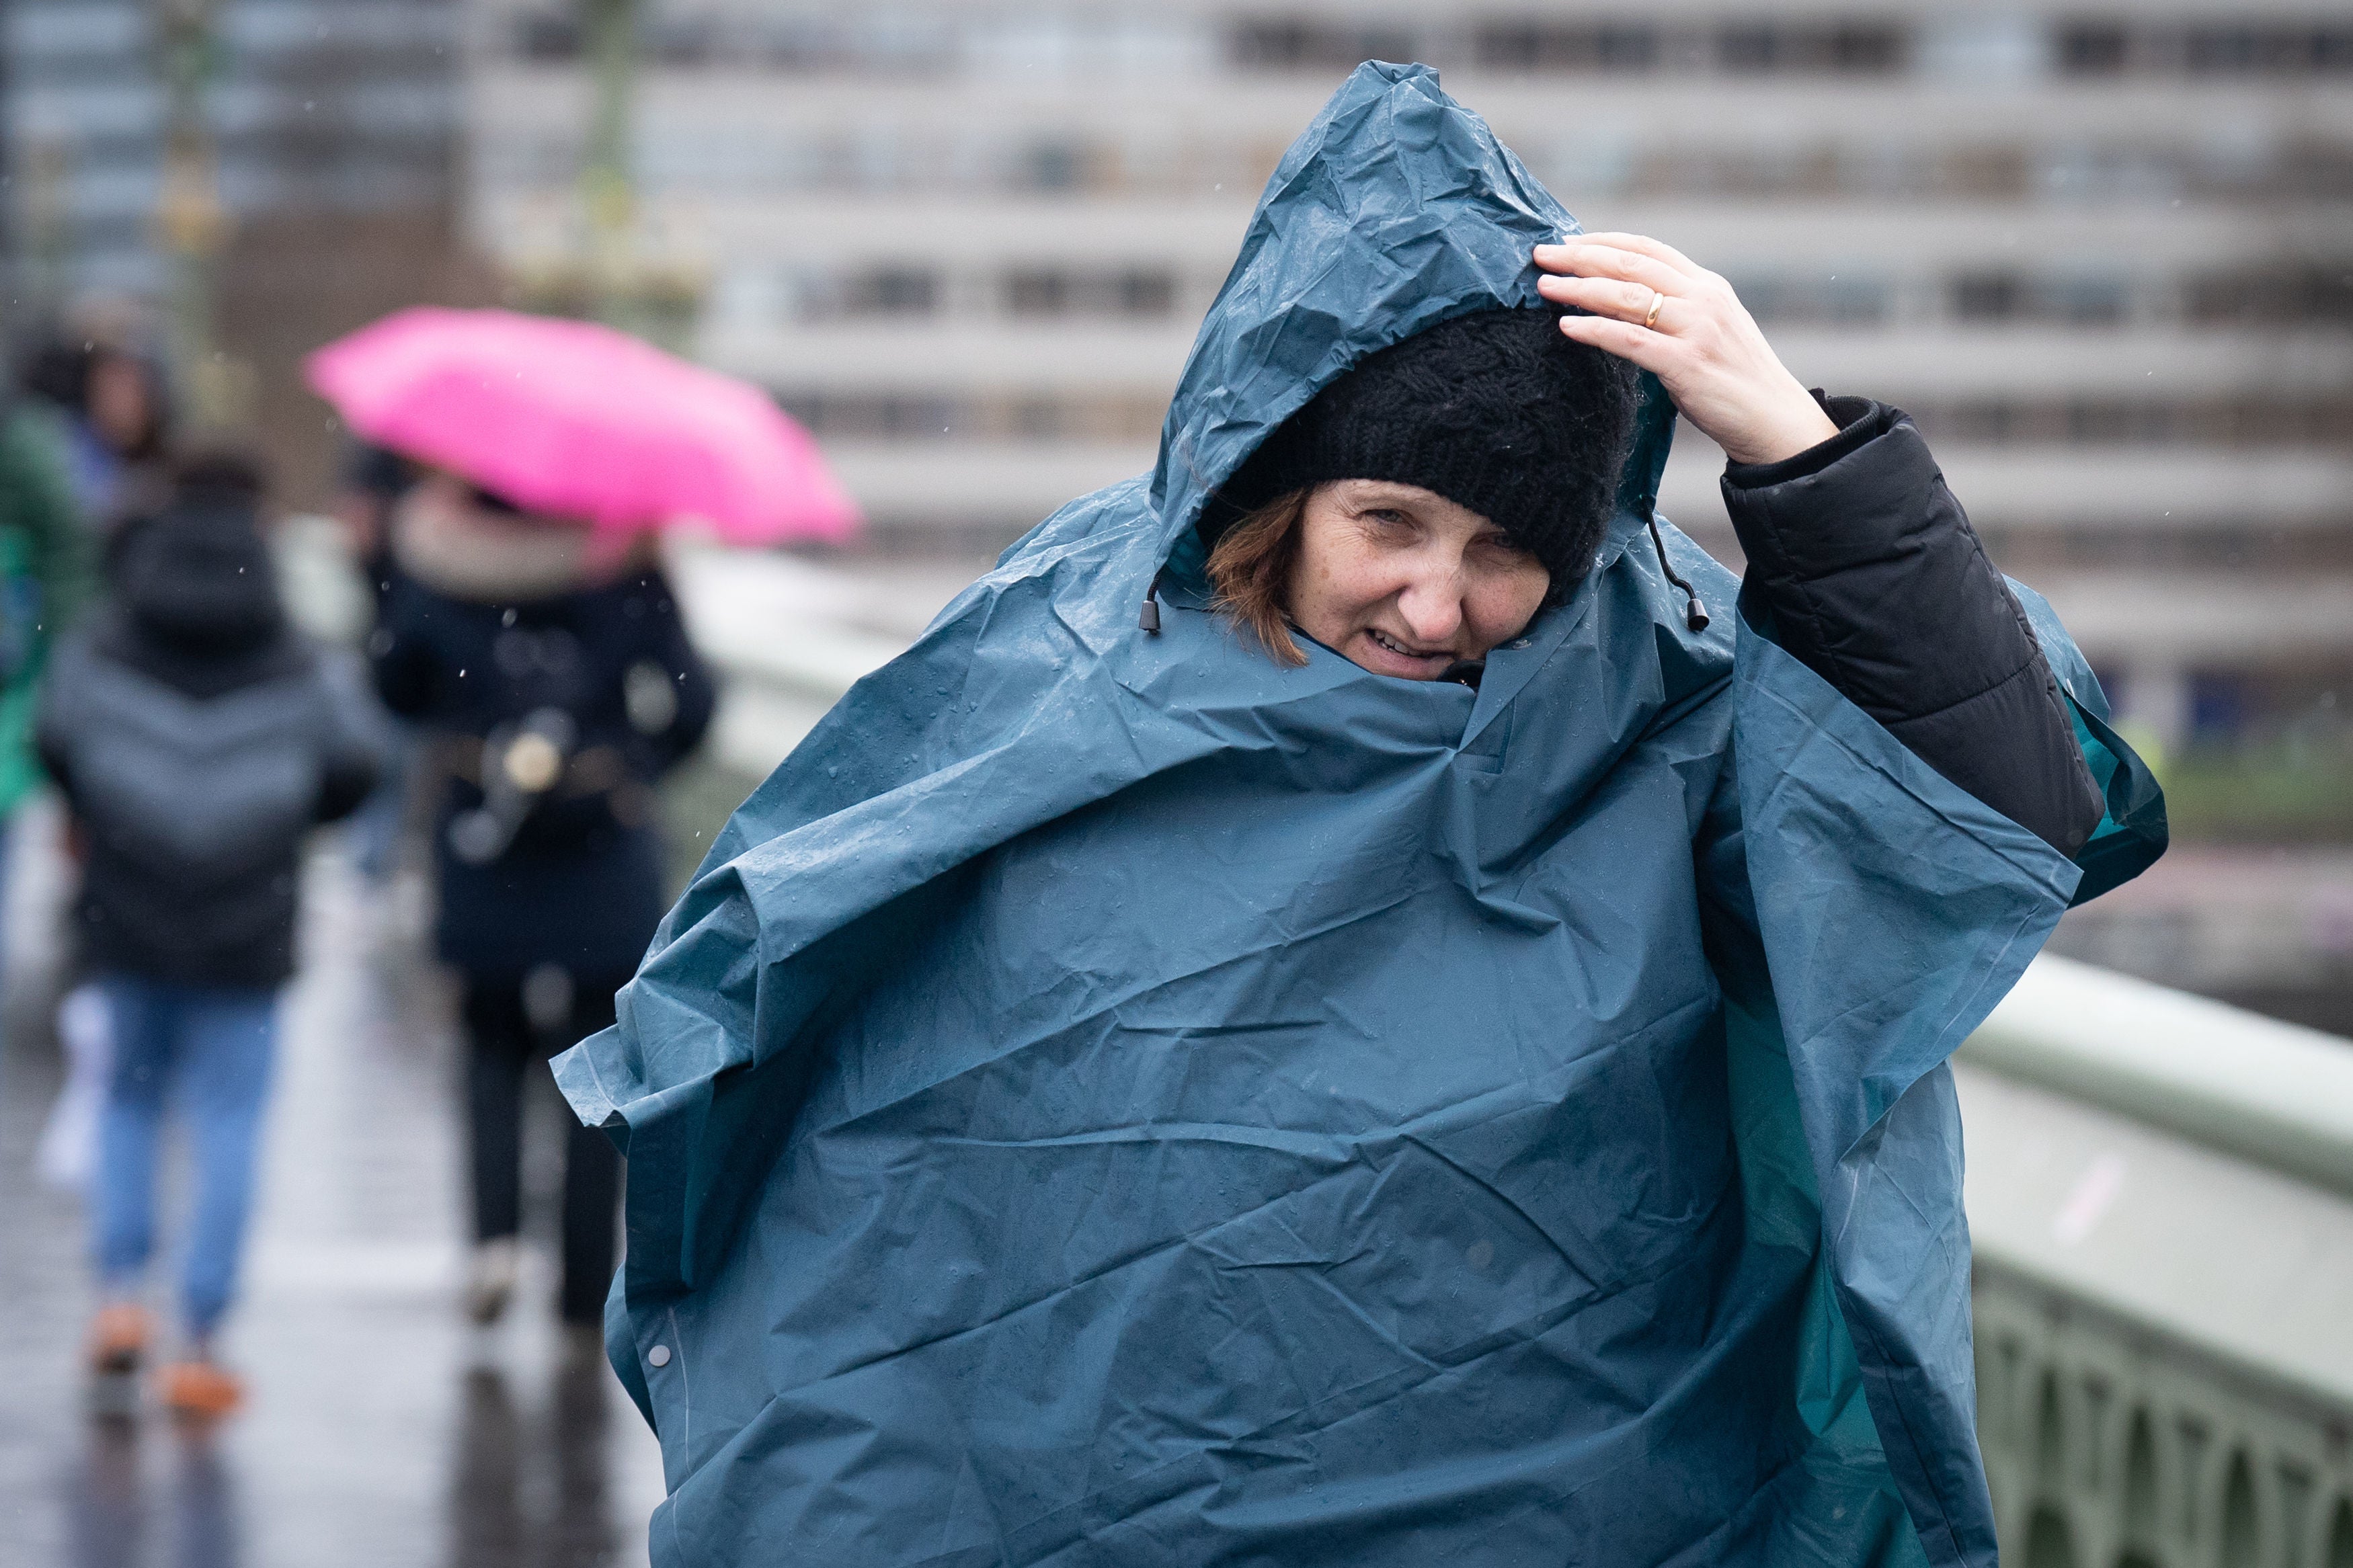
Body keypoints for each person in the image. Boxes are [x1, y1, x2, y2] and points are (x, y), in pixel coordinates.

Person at [557, 66, 2165, 1568]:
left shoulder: (1663, 716)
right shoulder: (1075, 630)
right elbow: (792, 966)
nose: (1433, 602)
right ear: (1284, 486)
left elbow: (2008, 807)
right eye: (1387, 519)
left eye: (1505, 550)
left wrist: (1809, 464)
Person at [38, 454, 382, 1419]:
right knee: (231, 1117)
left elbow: (58, 738)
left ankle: (118, 1300)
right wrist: (284, 817)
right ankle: (200, 1337)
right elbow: (354, 762)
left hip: (129, 908)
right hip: (248, 913)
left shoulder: (107, 638)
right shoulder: (297, 654)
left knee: (128, 1099)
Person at [368, 471, 714, 1329]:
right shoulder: (624, 557)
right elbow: (694, 701)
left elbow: (394, 686)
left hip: (483, 836)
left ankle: (493, 1242)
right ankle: (581, 1288)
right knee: (598, 1058)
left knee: (490, 1040)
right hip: (603, 843)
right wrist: (630, 768)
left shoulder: (442, 555)